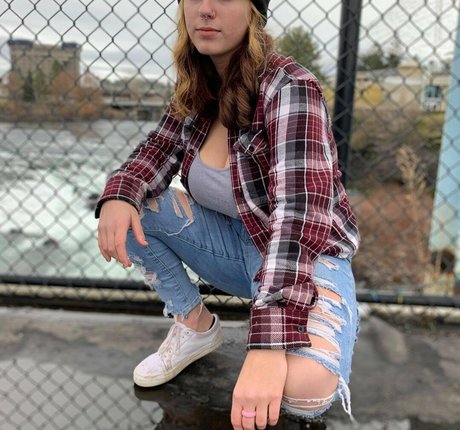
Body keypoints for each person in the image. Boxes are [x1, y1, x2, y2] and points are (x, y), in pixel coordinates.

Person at [96, 0, 360, 428]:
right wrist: (119, 195)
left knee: (303, 390)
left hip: (303, 256)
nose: (205, 9)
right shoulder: (196, 86)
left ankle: (326, 316)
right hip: (232, 249)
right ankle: (194, 325)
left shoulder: (290, 87)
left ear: (254, 11)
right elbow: (154, 153)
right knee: (129, 208)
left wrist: (268, 346)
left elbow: (298, 215)